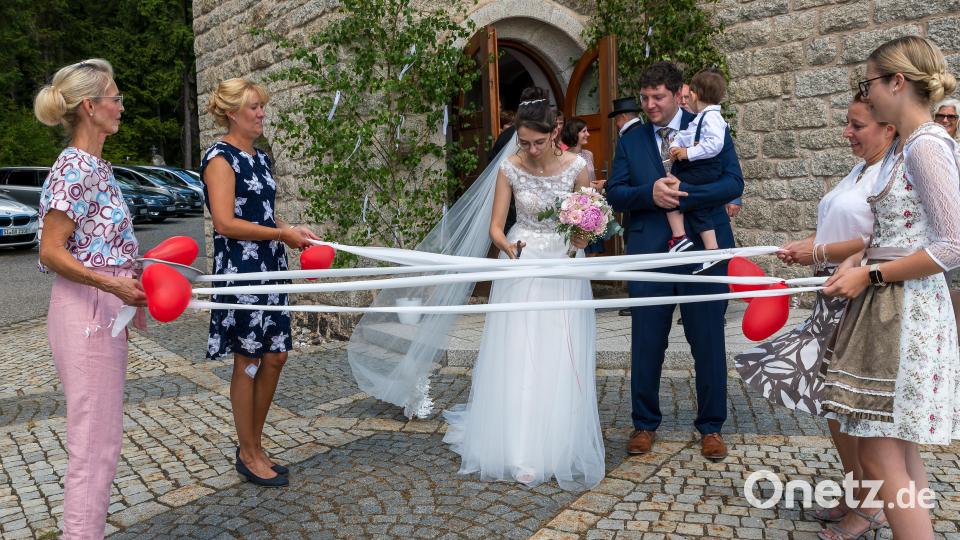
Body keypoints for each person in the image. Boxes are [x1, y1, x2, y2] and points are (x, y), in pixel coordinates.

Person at [736, 92, 896, 537]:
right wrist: (806, 246)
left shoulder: (891, 173)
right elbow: (841, 226)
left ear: (888, 128)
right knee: (832, 401)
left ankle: (871, 506)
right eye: (847, 123)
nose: (846, 132)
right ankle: (856, 491)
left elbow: (882, 239)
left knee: (851, 402)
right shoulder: (859, 170)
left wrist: (820, 251)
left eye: (856, 125)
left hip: (860, 295)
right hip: (831, 293)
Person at [821, 36, 960, 540]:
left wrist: (872, 274)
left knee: (880, 451)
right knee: (897, 451)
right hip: (894, 309)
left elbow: (952, 245)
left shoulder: (925, 145)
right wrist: (861, 260)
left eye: (870, 84)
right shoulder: (908, 144)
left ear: (897, 82)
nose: (867, 94)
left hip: (907, 313)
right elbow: (904, 232)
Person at [443, 86, 603, 490]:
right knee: (520, 348)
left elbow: (587, 221)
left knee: (558, 348)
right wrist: (506, 246)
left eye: (537, 142)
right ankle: (518, 447)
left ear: (554, 133)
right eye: (524, 142)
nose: (529, 150)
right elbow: (496, 227)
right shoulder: (509, 167)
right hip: (522, 259)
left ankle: (557, 442)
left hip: (563, 263)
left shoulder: (577, 168)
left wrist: (583, 237)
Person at [606, 61, 743, 460]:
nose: (650, 105)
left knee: (709, 339)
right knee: (647, 340)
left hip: (703, 252)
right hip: (649, 251)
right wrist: (650, 194)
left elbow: (733, 182)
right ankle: (644, 423)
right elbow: (615, 191)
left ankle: (711, 427)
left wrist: (684, 194)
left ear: (679, 92)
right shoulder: (631, 139)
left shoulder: (710, 126)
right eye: (645, 98)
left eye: (658, 97)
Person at [34, 58, 147, 539]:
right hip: (87, 308)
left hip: (100, 306)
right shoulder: (75, 167)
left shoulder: (95, 165)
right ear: (90, 106)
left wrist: (137, 273)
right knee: (94, 442)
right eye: (115, 98)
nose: (121, 106)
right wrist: (112, 283)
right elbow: (50, 251)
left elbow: (101, 243)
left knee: (101, 438)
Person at [202, 78, 318, 488]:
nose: (261, 113)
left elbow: (265, 214)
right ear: (232, 113)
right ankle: (249, 452)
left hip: (271, 265)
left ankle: (254, 444)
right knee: (248, 360)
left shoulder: (261, 157)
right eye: (253, 106)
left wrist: (292, 230)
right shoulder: (220, 158)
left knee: (276, 356)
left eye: (261, 106)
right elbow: (225, 223)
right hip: (242, 270)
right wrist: (280, 234)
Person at [664, 69, 728, 275]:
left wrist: (687, 153)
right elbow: (687, 133)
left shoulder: (712, 117)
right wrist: (675, 145)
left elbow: (715, 145)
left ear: (693, 95)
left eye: (687, 95)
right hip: (702, 168)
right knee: (696, 206)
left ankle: (679, 237)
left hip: (706, 168)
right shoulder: (702, 117)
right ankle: (711, 249)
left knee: (671, 187)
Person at [609, 97, 643, 315]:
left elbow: (630, 175)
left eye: (616, 119)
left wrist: (612, 186)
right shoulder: (642, 132)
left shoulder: (629, 138)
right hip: (638, 200)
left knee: (634, 250)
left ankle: (637, 299)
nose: (616, 124)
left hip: (635, 203)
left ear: (622, 117)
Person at [561, 117, 605, 256]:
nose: (588, 134)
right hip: (574, 207)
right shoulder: (564, 157)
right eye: (584, 131)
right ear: (575, 133)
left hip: (591, 205)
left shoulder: (588, 154)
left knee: (593, 249)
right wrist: (589, 185)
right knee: (577, 247)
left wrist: (599, 186)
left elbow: (591, 177)